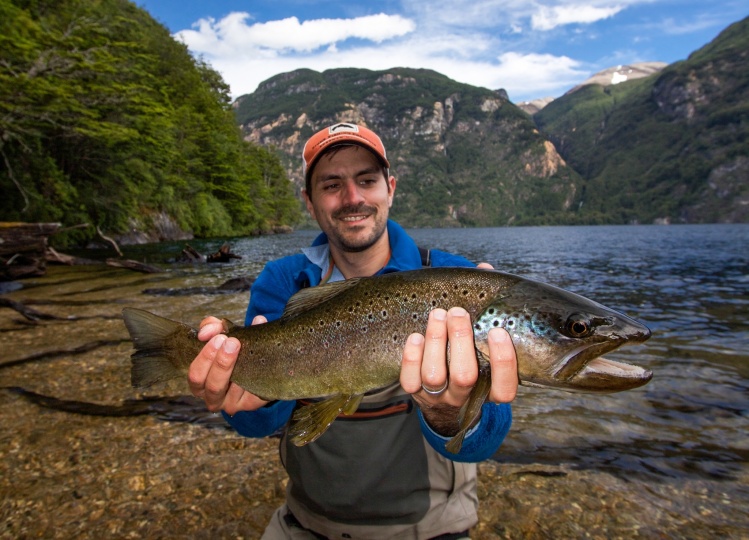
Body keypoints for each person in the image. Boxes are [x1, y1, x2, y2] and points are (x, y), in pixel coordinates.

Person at [188, 122, 519, 539]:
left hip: (432, 528)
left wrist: (448, 413)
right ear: (310, 202)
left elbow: (484, 446)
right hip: (308, 524)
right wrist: (243, 397)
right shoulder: (283, 281)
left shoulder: (454, 280)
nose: (353, 198)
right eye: (332, 185)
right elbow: (258, 424)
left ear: (390, 188)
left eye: (366, 180)